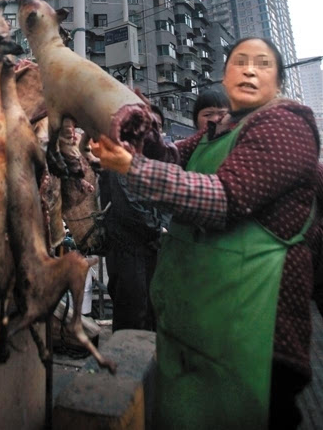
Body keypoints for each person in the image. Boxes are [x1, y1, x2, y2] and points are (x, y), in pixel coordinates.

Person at [91, 37, 320, 430]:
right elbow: (171, 157)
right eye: (239, 62)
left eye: (261, 64)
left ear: (278, 81)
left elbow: (224, 199)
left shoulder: (288, 126)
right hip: (197, 322)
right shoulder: (218, 130)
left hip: (254, 333)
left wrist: (134, 169)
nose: (248, 70)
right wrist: (138, 125)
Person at [98, 104, 168, 332]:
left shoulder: (155, 163)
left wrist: (162, 226)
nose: (152, 133)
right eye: (147, 127)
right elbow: (128, 206)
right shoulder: (122, 158)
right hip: (128, 252)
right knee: (133, 321)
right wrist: (157, 228)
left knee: (151, 317)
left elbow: (167, 201)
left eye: (156, 127)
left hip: (150, 249)